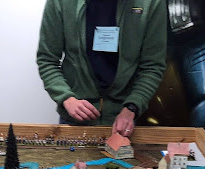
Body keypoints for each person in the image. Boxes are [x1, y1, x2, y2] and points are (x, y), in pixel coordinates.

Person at [36, 0, 166, 136]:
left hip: (124, 121)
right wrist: (67, 99)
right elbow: (47, 60)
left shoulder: (151, 3)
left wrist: (132, 107)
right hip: (74, 119)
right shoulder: (61, 2)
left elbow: (152, 66)